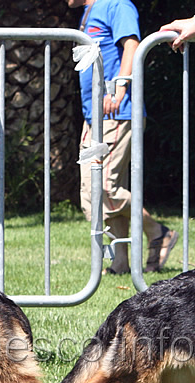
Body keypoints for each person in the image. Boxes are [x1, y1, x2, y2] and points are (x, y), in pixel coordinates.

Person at [67, 0, 177, 274]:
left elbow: (131, 45)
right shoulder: (89, 11)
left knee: (105, 188)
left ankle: (157, 232)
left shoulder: (117, 4)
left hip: (116, 113)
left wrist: (118, 88)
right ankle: (120, 262)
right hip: (94, 117)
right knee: (90, 192)